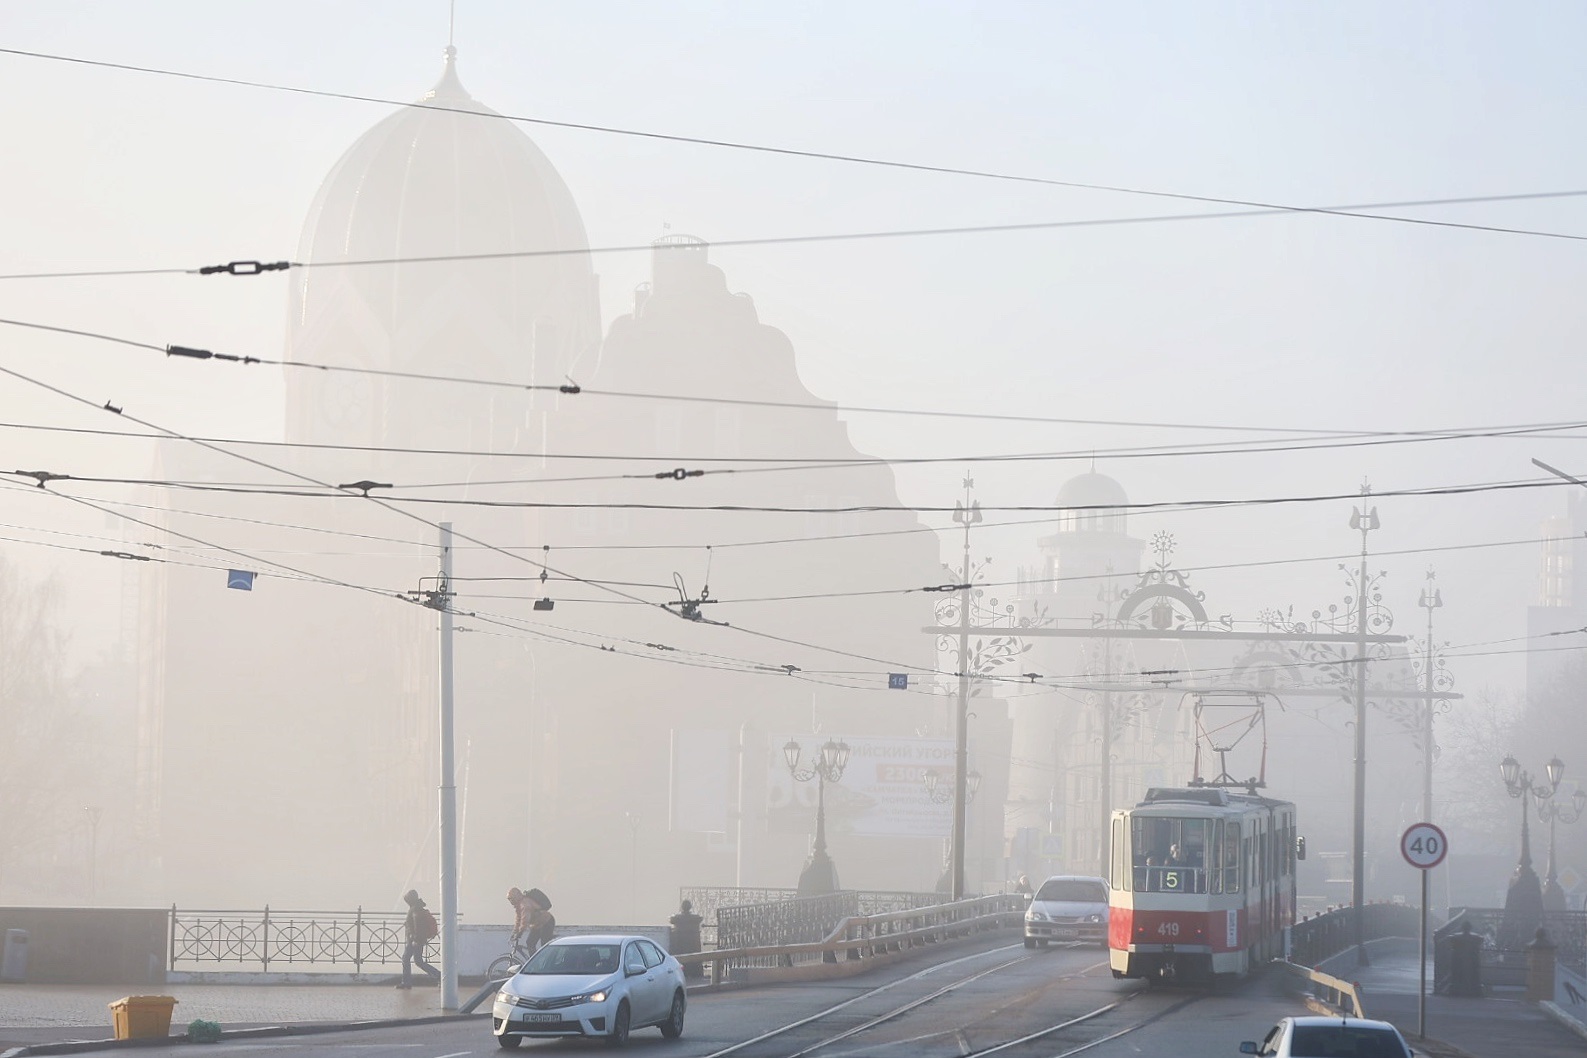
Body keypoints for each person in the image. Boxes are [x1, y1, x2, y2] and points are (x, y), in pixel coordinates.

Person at [398, 889, 440, 989]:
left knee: (406, 958)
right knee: (418, 961)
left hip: (415, 940)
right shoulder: (417, 907)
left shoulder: (415, 909)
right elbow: (414, 924)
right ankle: (439, 975)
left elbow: (418, 926)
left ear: (411, 899)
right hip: (417, 939)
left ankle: (406, 982)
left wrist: (415, 939)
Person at [524, 887, 556, 954]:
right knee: (530, 942)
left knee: (544, 944)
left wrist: (517, 933)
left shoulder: (526, 902)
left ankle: (543, 961)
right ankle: (535, 962)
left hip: (545, 921)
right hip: (538, 923)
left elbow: (525, 918)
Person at [507, 887, 533, 957]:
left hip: (544, 922)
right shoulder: (518, 906)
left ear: (515, 897)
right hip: (537, 924)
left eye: (511, 899)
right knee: (530, 943)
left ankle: (535, 964)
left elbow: (525, 920)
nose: (510, 901)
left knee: (530, 942)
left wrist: (519, 933)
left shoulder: (524, 903)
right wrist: (514, 933)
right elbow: (518, 920)